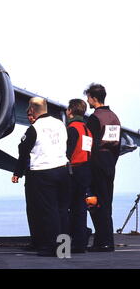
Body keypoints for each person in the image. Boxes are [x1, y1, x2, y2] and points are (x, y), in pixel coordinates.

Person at [12, 97, 71, 256]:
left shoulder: (34, 128)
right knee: (62, 210)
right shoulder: (60, 124)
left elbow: (23, 151)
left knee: (48, 211)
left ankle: (51, 247)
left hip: (43, 173)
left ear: (31, 110)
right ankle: (64, 248)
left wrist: (17, 172)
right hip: (63, 170)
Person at [84, 83, 121, 252]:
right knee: (107, 202)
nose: (87, 100)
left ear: (93, 98)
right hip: (109, 161)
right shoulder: (113, 117)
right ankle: (106, 240)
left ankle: (103, 242)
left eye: (88, 97)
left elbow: (88, 144)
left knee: (96, 203)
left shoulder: (94, 118)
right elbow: (117, 145)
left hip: (96, 160)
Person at [65, 99, 93, 253]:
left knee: (68, 207)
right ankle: (80, 241)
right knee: (81, 208)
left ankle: (70, 242)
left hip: (73, 171)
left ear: (70, 111)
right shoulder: (86, 129)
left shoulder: (72, 129)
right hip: (85, 170)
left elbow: (68, 152)